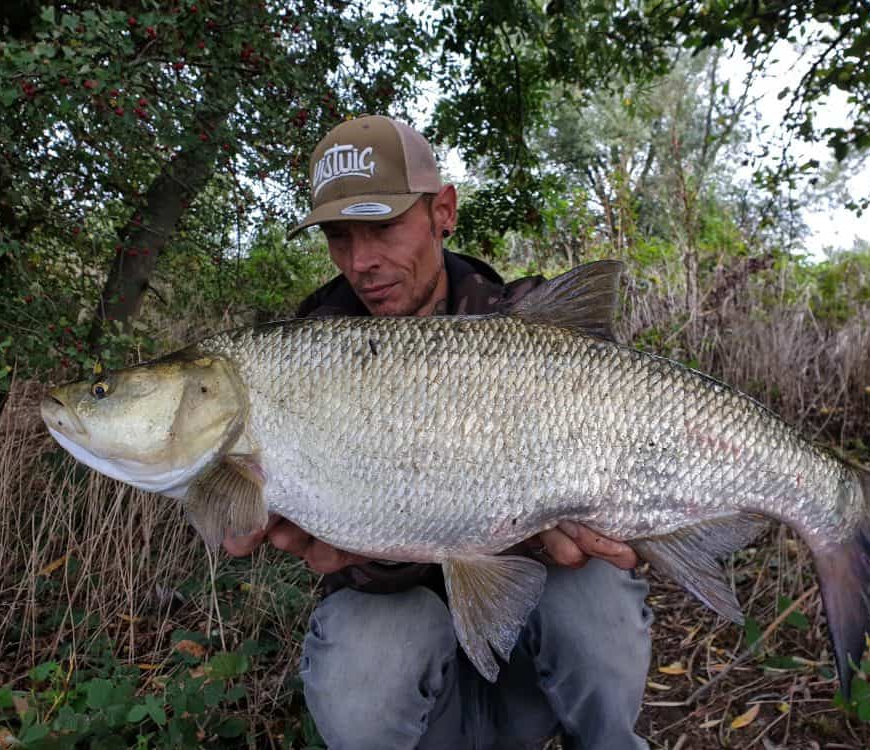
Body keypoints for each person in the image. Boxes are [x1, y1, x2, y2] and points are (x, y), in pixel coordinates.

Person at [225, 115, 653, 750]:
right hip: (420, 658)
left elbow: (634, 476)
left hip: (522, 639)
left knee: (596, 598)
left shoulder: (523, 325)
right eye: (339, 238)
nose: (361, 263)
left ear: (443, 211)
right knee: (365, 657)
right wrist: (355, 551)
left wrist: (612, 519)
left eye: (383, 227)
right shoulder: (296, 362)